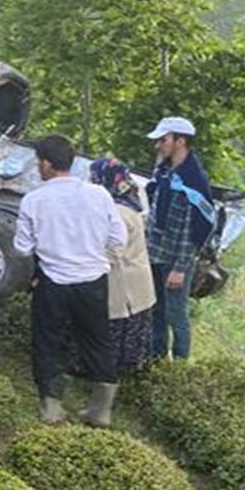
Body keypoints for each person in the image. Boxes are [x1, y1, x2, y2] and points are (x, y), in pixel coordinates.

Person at [14, 134, 127, 426]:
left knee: (47, 341)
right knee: (97, 341)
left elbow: (22, 247)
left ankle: (51, 407)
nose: (37, 166)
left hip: (53, 281)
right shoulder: (99, 194)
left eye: (38, 161)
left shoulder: (34, 200)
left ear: (47, 164)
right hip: (93, 280)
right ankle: (101, 411)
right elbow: (118, 238)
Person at [145, 116, 215, 361]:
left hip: (176, 260)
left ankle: (179, 367)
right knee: (156, 310)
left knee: (176, 314)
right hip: (155, 253)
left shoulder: (192, 181)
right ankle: (156, 357)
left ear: (180, 141)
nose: (159, 145)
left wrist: (181, 268)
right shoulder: (164, 171)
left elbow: (193, 231)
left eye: (163, 140)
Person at [89, 158, 156, 374]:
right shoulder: (131, 205)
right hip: (138, 285)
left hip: (123, 287)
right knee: (132, 337)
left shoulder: (116, 212)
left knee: (114, 335)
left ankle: (102, 374)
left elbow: (112, 252)